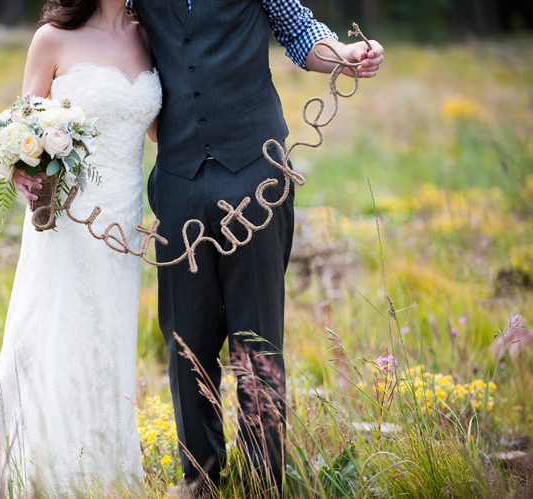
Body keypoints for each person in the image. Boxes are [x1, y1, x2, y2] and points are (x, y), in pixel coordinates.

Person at [128, 0, 384, 496]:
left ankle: (263, 483)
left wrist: (347, 55)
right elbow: (104, 27)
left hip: (257, 172)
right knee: (186, 341)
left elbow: (300, 31)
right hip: (178, 180)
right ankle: (199, 480)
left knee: (257, 340)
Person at [0, 0, 161, 496]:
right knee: (54, 335)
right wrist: (20, 170)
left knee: (109, 342)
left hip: (122, 221)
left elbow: (158, 128)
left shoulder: (152, 34)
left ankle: (104, 475)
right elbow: (21, 130)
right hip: (65, 217)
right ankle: (45, 476)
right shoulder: (52, 38)